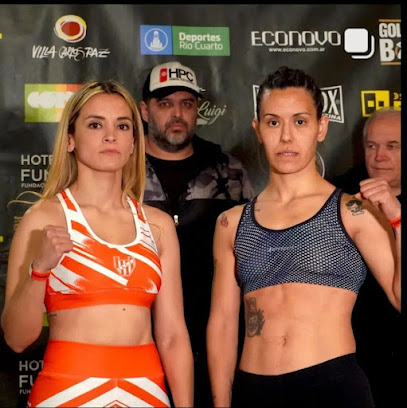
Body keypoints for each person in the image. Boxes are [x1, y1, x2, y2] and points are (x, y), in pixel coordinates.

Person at [206, 66, 401, 408]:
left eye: (299, 121)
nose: (286, 137)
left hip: (332, 388)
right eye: (273, 122)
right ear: (258, 129)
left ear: (321, 127)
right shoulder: (231, 223)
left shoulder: (353, 211)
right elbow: (222, 325)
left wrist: (397, 220)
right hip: (255, 391)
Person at [1, 80, 193, 408]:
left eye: (122, 126)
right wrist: (39, 271)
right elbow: (17, 339)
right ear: (70, 139)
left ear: (134, 142)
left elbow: (173, 337)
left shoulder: (158, 225)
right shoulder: (42, 219)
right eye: (95, 125)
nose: (110, 136)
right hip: (66, 393)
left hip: (147, 393)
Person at [140, 61, 254, 408]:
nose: (177, 113)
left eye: (187, 104)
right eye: (165, 103)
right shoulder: (121, 168)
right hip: (140, 337)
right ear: (144, 111)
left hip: (216, 337)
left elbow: (252, 251)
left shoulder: (228, 170)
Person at [332, 107, 401, 408]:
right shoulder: (340, 197)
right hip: (354, 356)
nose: (379, 156)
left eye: (392, 146)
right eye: (372, 146)